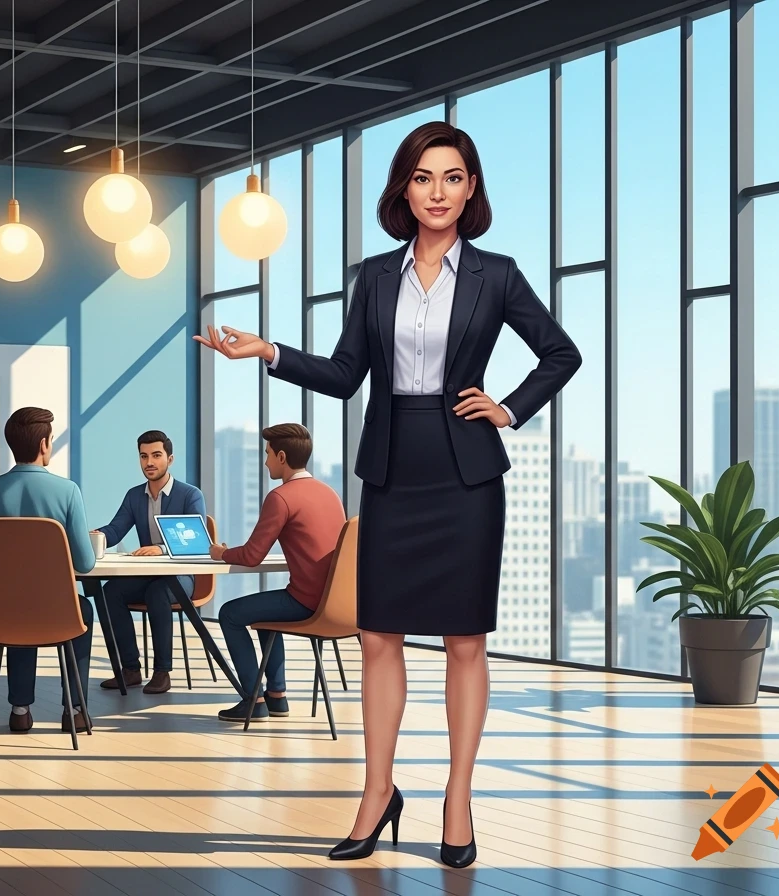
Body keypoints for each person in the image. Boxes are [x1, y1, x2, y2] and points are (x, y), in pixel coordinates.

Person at [196, 121, 581, 866]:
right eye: (423, 178)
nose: (437, 192)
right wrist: (269, 351)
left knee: (465, 642)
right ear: (403, 189)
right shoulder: (374, 276)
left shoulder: (497, 274)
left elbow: (560, 353)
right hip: (393, 468)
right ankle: (377, 793)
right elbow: (347, 376)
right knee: (379, 637)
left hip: (467, 474)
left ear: (471, 189)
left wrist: (508, 408)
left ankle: (458, 801)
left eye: (452, 178)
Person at [0, 407, 97, 734]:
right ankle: (74, 709)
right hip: (56, 610)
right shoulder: (67, 491)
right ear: (44, 444)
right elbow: (85, 563)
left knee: (17, 607)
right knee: (83, 609)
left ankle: (19, 709)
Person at [212, 424, 345, 722]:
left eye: (267, 454)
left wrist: (221, 553)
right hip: (338, 603)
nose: (265, 462)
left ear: (282, 457)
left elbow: (252, 556)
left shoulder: (281, 497)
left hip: (307, 602)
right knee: (265, 616)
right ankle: (277, 697)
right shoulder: (329, 493)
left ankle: (253, 701)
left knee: (229, 614)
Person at [93, 430, 206, 695]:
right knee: (110, 592)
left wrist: (161, 548)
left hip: (181, 577)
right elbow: (116, 529)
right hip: (148, 574)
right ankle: (130, 669)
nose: (149, 462)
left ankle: (162, 672)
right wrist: (96, 536)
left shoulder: (190, 495)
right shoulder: (134, 496)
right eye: (144, 456)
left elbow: (197, 542)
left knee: (158, 593)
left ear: (170, 459)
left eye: (156, 455)